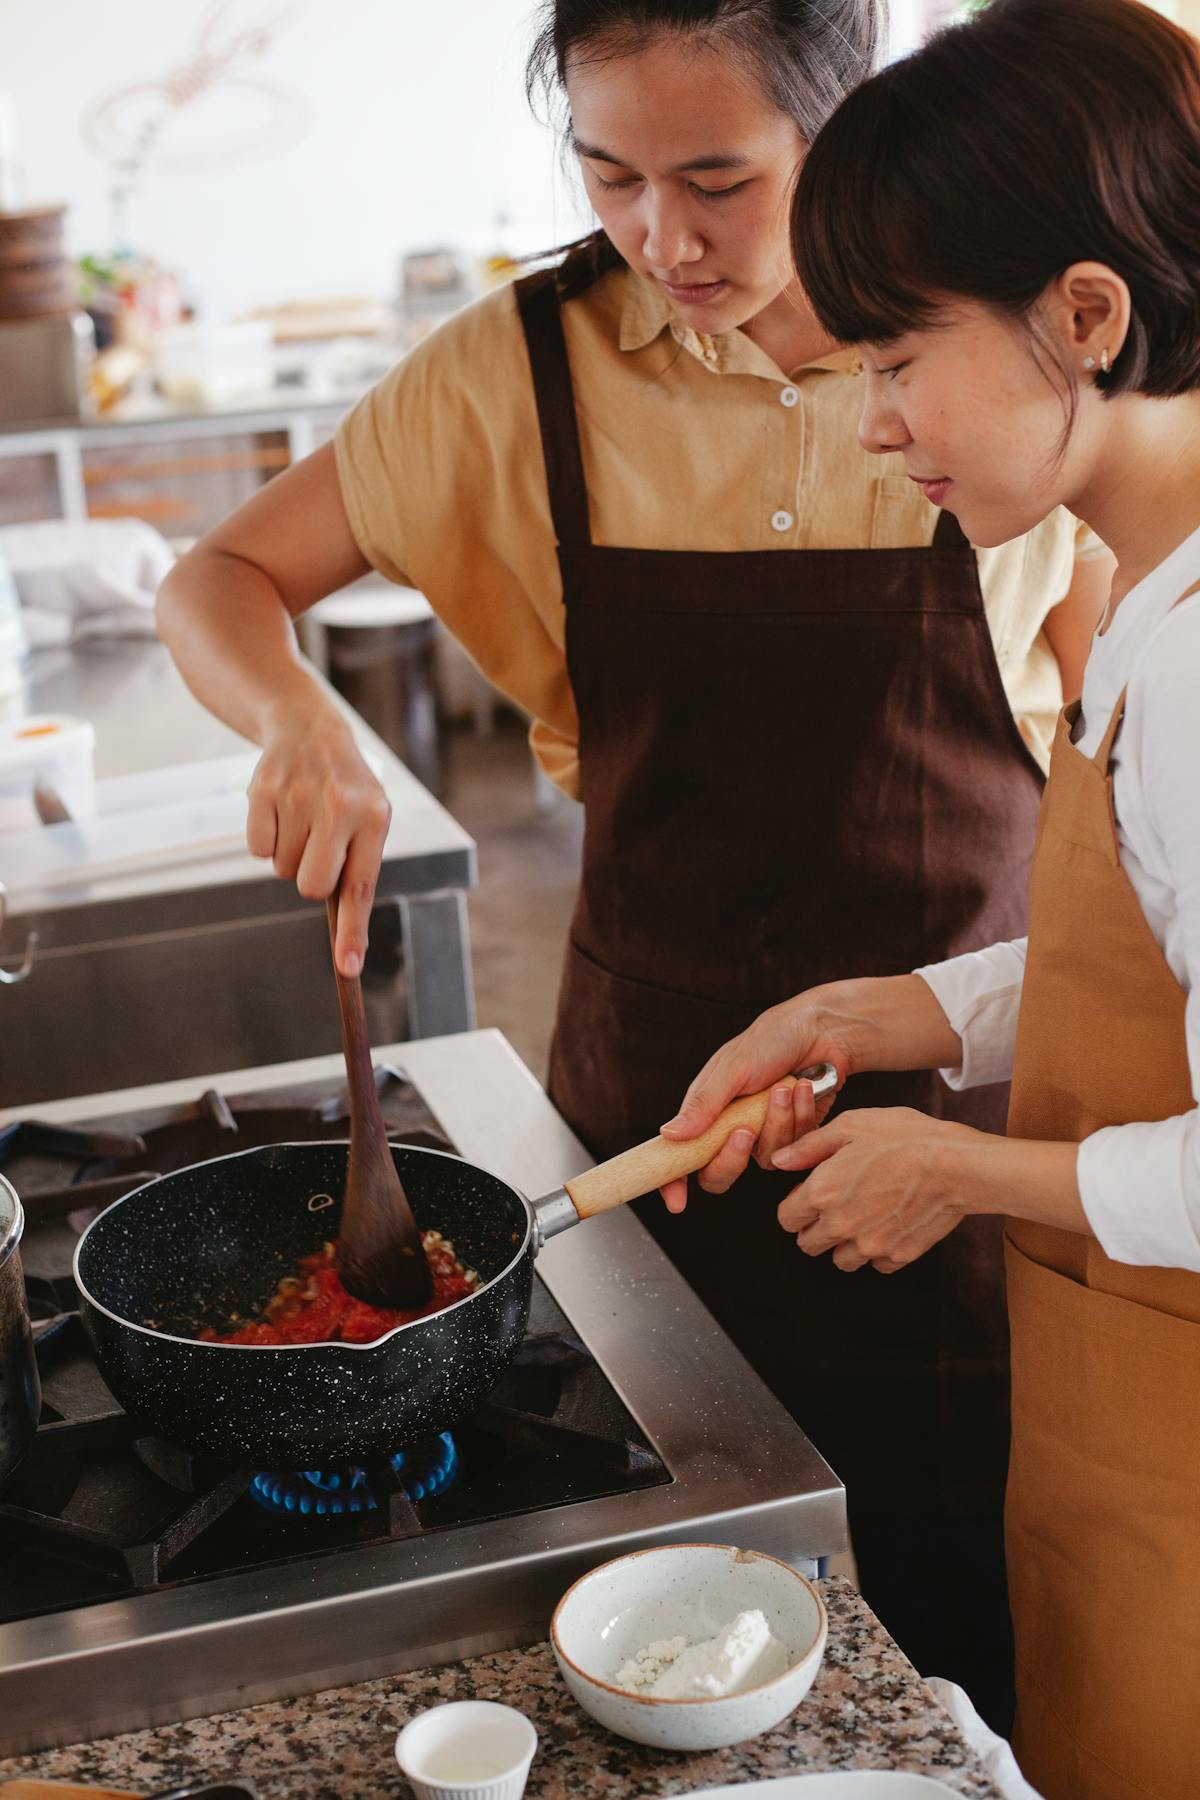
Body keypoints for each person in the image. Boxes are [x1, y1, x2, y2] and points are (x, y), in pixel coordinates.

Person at [155, 0, 1110, 1716]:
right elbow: (218, 578)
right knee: (655, 1646)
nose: (663, 238)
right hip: (654, 1113)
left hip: (951, 1110)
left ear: (848, 129)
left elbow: (1116, 753)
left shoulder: (999, 363)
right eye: (610, 176)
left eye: (720, 181)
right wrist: (304, 724)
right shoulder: (518, 368)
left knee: (966, 1637)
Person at [657, 0, 1200, 1791]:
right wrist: (914, 1014)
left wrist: (954, 1167)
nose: (876, 425)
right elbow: (1160, 955)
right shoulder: (1145, 600)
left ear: (1089, 316)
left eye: (896, 355)